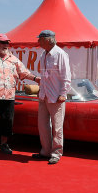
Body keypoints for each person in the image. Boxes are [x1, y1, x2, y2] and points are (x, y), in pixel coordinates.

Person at [0, 34, 40, 158]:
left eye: (7, 43)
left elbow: (24, 73)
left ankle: (4, 144)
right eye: (3, 43)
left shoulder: (13, 59)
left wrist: (36, 79)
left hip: (8, 96)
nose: (6, 46)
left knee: (8, 121)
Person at [32, 30, 71, 165]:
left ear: (48, 40)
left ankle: (56, 153)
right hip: (44, 95)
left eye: (40, 39)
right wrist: (41, 90)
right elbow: (44, 76)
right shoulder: (43, 54)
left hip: (56, 96)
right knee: (42, 126)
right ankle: (45, 151)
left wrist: (63, 93)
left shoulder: (60, 54)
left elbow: (66, 76)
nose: (38, 42)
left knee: (57, 127)